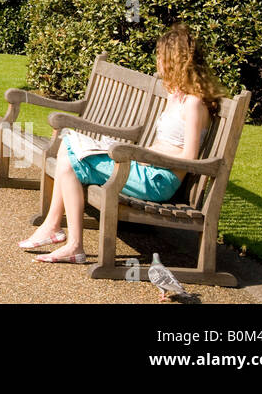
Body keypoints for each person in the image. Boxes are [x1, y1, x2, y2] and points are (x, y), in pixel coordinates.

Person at [18, 22, 224, 263]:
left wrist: (141, 156)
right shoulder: (176, 97)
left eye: (160, 56)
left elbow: (189, 158)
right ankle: (61, 234)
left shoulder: (193, 103)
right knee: (69, 151)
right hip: (146, 169)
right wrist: (142, 154)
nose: (157, 62)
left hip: (157, 180)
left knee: (70, 156)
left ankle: (62, 235)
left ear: (174, 60)